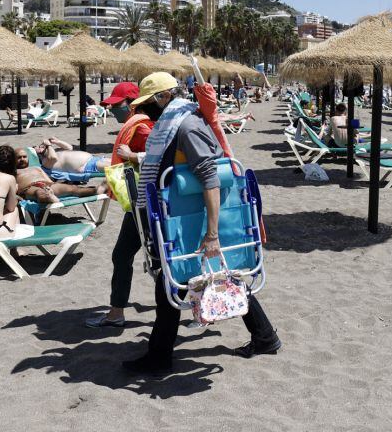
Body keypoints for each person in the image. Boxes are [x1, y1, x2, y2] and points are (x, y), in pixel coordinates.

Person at [122, 72, 281, 375]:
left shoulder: (188, 126)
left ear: (163, 98)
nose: (144, 110)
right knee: (215, 276)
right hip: (184, 215)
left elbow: (210, 178)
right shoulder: (174, 124)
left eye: (148, 103)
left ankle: (159, 358)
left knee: (173, 283)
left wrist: (212, 234)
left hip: (195, 219)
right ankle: (265, 337)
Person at [85, 79, 159, 329]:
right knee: (139, 257)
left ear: (132, 104)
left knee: (132, 256)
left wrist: (135, 157)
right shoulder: (137, 124)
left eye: (118, 104)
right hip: (141, 203)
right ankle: (117, 312)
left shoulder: (142, 127)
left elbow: (162, 157)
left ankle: (117, 313)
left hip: (148, 204)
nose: (112, 109)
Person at [14, 147, 105, 205]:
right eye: (19, 157)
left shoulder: (37, 168)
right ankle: (48, 197)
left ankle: (96, 190)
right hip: (29, 188)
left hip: (47, 186)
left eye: (24, 157)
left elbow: (49, 180)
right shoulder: (14, 171)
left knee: (73, 188)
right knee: (38, 192)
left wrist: (53, 185)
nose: (22, 159)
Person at [35, 136, 108, 174]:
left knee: (117, 162)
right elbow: (54, 158)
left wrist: (57, 142)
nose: (40, 146)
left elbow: (69, 147)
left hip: (94, 159)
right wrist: (48, 145)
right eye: (37, 148)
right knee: (116, 166)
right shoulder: (45, 162)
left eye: (40, 145)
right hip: (87, 166)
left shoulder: (55, 152)